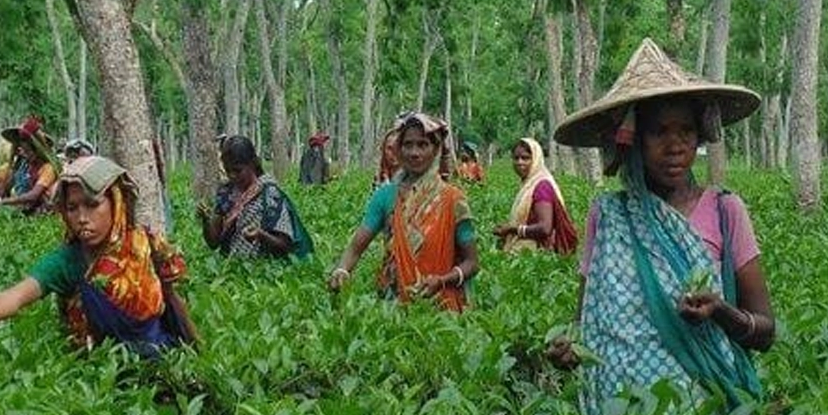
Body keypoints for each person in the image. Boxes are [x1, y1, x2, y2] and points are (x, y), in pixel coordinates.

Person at [550, 38, 773, 415]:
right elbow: (588, 325)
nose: (675, 146)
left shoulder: (725, 211)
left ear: (701, 135)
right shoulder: (609, 216)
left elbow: (766, 331)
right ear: (633, 138)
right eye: (658, 132)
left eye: (686, 131)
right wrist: (570, 349)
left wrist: (720, 312)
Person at [0, 156, 197, 358]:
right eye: (72, 208)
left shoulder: (145, 244)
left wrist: (195, 348)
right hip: (102, 374)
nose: (82, 219)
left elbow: (172, 300)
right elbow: (12, 298)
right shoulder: (68, 261)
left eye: (92, 205)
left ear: (117, 202)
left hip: (163, 359)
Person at [328, 111, 479, 310]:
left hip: (442, 308)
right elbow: (357, 246)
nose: (414, 152)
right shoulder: (385, 196)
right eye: (408, 145)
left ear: (435, 150)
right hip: (392, 304)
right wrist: (342, 271)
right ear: (400, 149)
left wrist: (442, 280)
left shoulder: (453, 199)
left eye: (423, 144)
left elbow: (472, 262)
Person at [198, 135, 313, 259]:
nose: (232, 176)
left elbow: (286, 246)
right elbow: (213, 243)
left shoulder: (269, 194)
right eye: (227, 170)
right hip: (230, 271)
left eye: (238, 170)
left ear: (252, 164)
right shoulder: (225, 193)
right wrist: (205, 220)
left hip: (262, 272)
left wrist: (261, 235)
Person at [493, 138, 578, 255]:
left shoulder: (541, 186)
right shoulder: (529, 184)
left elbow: (545, 228)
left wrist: (512, 229)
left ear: (536, 160)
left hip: (537, 255)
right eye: (516, 158)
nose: (519, 162)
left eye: (525, 158)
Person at [0, 116, 58, 214]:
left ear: (37, 151)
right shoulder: (23, 165)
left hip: (41, 211)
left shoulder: (48, 168)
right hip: (23, 208)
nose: (24, 155)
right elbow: (8, 187)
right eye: (23, 151)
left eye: (28, 151)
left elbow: (33, 195)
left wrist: (2, 202)